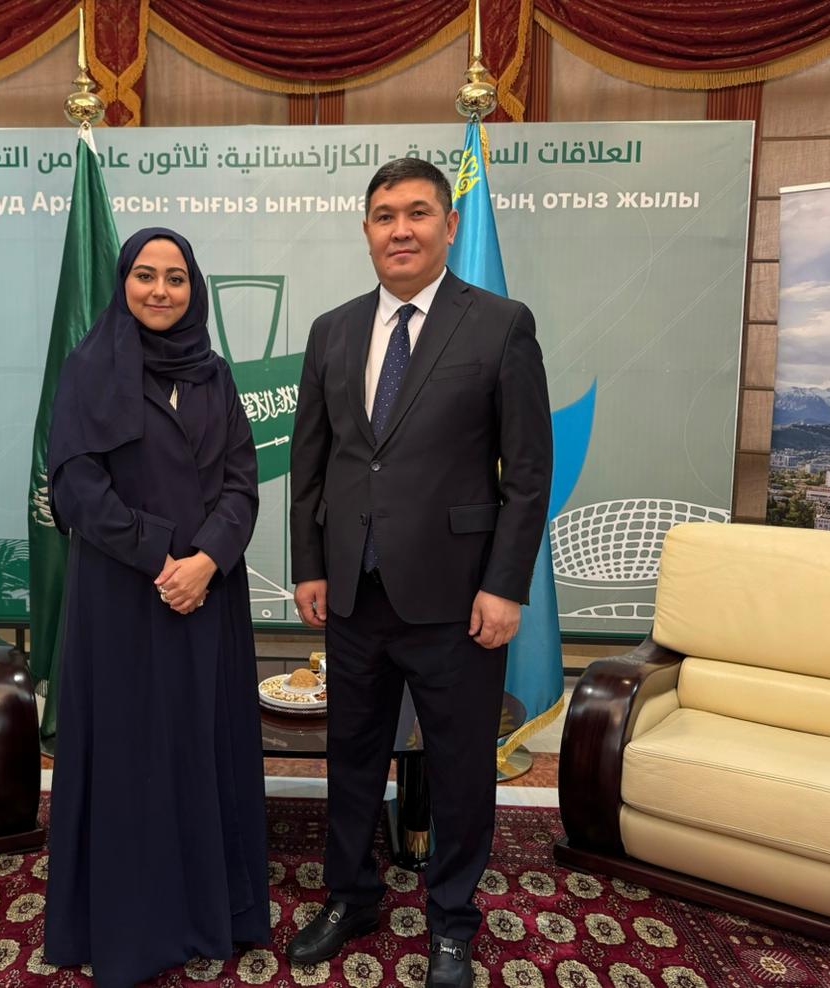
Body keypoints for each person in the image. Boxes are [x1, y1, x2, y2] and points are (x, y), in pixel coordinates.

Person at [287, 158, 552, 988]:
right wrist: (308, 566)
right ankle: (351, 897)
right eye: (384, 215)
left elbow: (528, 473)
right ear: (367, 229)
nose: (399, 229)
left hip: (458, 600)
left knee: (461, 768)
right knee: (351, 759)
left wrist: (505, 585)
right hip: (353, 594)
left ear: (449, 225)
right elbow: (312, 465)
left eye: (417, 213)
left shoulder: (500, 325)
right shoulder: (332, 330)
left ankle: (452, 922)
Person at [44, 227, 270, 987]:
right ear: (124, 282)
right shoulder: (88, 369)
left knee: (204, 745)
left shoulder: (215, 374)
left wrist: (206, 560)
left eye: (176, 278)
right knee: (133, 756)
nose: (161, 290)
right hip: (123, 598)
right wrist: (161, 555)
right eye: (145, 275)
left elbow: (242, 481)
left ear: (193, 288)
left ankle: (212, 913)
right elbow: (75, 487)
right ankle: (134, 926)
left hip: (208, 593)